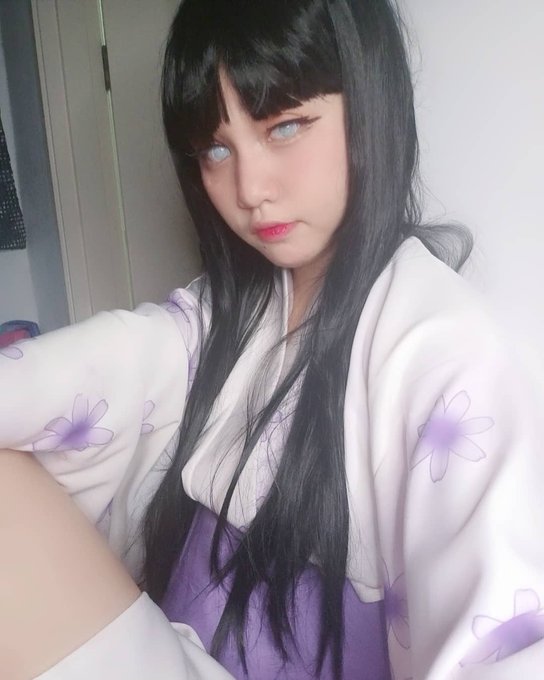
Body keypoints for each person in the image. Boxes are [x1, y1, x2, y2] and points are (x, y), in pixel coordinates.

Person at [1, 0, 544, 678]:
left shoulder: (443, 354)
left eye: (285, 127)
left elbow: (508, 639)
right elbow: (74, 373)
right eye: (216, 149)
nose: (250, 189)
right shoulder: (227, 313)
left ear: (370, 106)